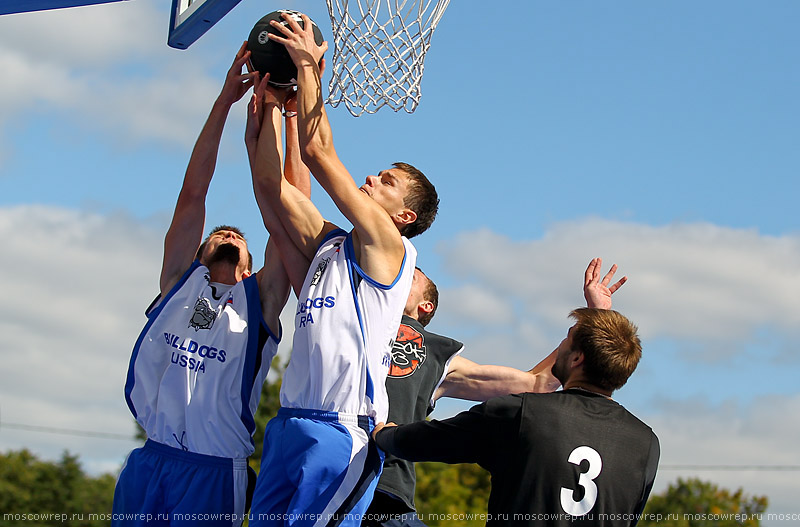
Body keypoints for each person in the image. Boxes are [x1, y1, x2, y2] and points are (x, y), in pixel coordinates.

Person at [246, 12, 439, 527]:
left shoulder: (388, 247)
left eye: (389, 180)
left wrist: (309, 68)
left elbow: (316, 150)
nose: (374, 176)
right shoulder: (331, 246)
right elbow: (270, 186)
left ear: (404, 216)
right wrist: (270, 103)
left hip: (341, 432)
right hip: (288, 424)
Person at [112, 43, 308, 526]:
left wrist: (285, 115)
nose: (225, 235)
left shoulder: (258, 299)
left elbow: (292, 214)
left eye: (236, 238)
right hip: (150, 460)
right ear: (199, 255)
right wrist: (224, 101)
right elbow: (192, 191)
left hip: (214, 469)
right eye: (217, 234)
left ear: (247, 266)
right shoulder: (178, 283)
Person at [364, 258, 627, 527]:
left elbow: (537, 383)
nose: (399, 274)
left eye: (412, 276)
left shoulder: (437, 356)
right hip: (325, 467)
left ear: (425, 306)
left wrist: (593, 318)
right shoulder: (350, 316)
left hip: (382, 492)